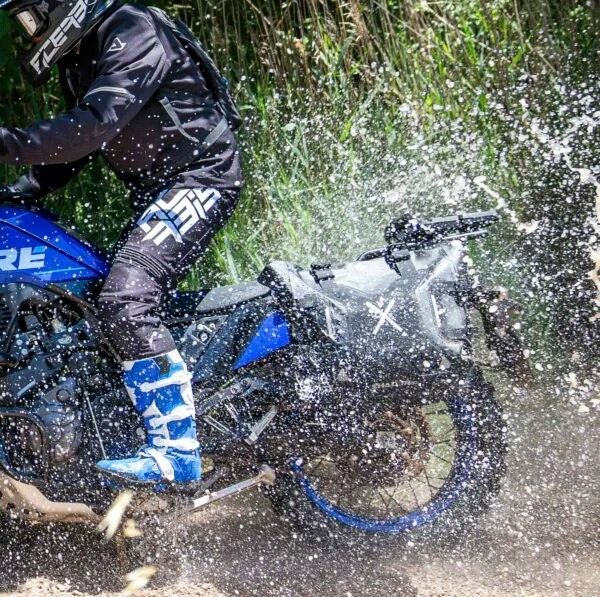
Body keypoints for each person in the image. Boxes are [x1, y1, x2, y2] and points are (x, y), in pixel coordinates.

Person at [0, 0, 244, 486]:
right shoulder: (83, 51)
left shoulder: (132, 29)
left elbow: (95, 125)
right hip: (156, 190)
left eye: (30, 18)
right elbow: (78, 144)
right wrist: (19, 191)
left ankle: (177, 455)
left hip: (202, 178)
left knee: (126, 300)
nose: (31, 34)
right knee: (87, 301)